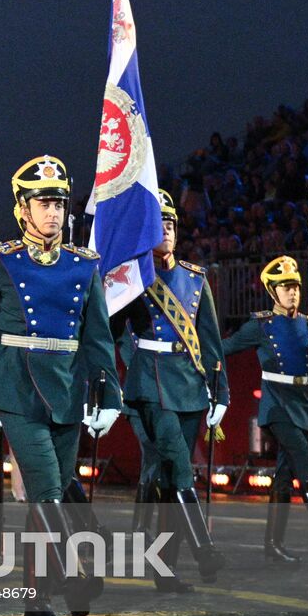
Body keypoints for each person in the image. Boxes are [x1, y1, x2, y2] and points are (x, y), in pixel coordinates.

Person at [0, 156, 121, 616]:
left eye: (60, 203)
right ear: (22, 208)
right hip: (17, 388)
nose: (53, 212)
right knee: (45, 490)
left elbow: (98, 337)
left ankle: (36, 603)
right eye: (43, 203)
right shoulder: (0, 261)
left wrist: (110, 396)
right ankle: (76, 577)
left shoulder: (84, 266)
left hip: (66, 389)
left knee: (55, 494)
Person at [118, 190, 229, 588]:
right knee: (180, 467)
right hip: (151, 384)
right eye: (158, 225)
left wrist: (221, 394)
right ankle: (204, 551)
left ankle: (164, 570)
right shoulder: (135, 279)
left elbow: (211, 342)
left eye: (170, 225)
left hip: (189, 384)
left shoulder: (195, 279)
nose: (165, 230)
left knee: (170, 478)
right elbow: (113, 333)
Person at [221, 255, 308, 560]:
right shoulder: (261, 325)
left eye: (296, 287)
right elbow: (226, 347)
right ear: (272, 292)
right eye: (285, 287)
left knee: (284, 474)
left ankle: (272, 546)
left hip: (302, 403)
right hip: (277, 406)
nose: (292, 293)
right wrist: (198, 348)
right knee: (303, 459)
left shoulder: (307, 323)